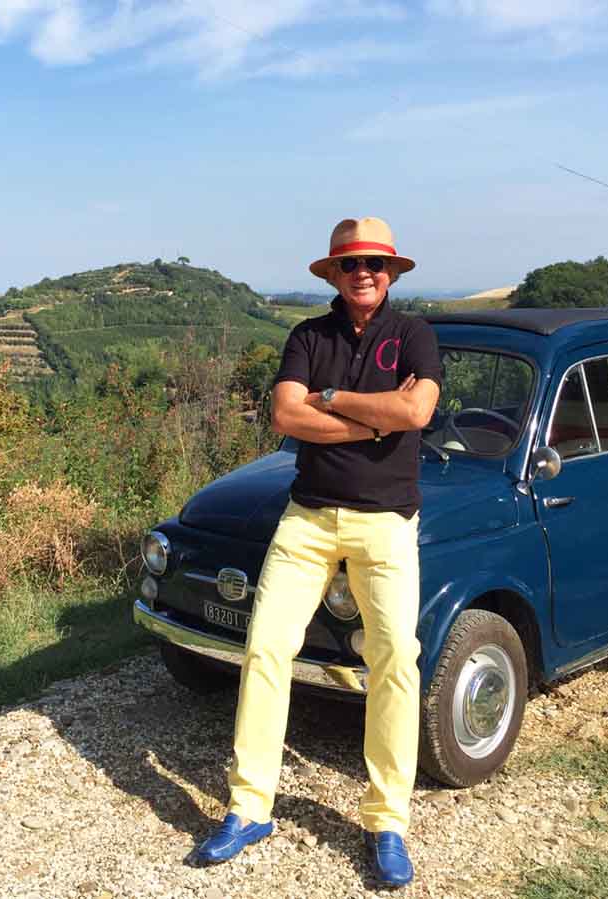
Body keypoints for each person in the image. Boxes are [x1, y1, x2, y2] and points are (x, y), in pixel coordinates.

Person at [193, 217, 442, 888]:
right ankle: (249, 807)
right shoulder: (307, 335)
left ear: (391, 274)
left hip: (386, 521)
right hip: (306, 520)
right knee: (265, 649)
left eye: (375, 264)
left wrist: (332, 400)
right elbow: (286, 416)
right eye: (351, 263)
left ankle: (386, 821)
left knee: (395, 660)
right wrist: (374, 419)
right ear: (333, 272)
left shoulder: (413, 334)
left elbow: (416, 413)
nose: (364, 273)